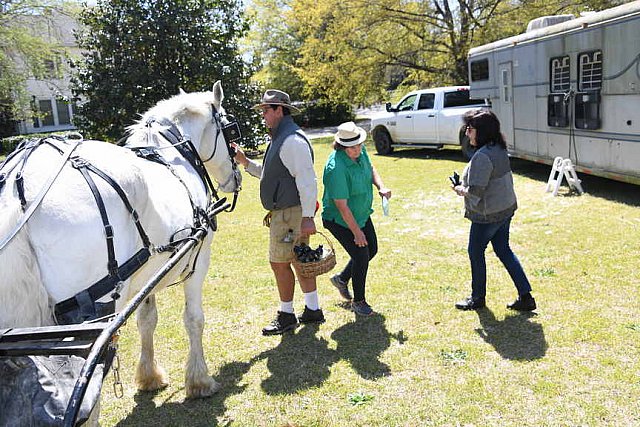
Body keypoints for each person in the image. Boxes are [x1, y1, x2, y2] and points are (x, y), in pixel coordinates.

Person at [233, 89, 324, 335]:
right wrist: (245, 162)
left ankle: (286, 316)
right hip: (290, 213)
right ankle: (313, 310)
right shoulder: (282, 137)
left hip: (289, 215)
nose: (263, 115)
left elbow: (307, 181)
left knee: (280, 263)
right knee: (300, 259)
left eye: (266, 110)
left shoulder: (291, 140)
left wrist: (307, 218)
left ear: (279, 111)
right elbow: (272, 174)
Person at [452, 109, 536, 311]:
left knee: (475, 252)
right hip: (505, 209)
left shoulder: (482, 156)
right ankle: (526, 296)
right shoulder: (498, 147)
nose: (467, 133)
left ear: (481, 131)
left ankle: (477, 298)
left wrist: (458, 188)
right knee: (503, 250)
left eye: (470, 129)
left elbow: (476, 192)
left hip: (488, 215)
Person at [322, 121, 391, 316]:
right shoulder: (336, 168)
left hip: (360, 214)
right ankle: (358, 301)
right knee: (361, 255)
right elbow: (342, 206)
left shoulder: (359, 152)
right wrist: (356, 232)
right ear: (342, 146)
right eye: (353, 147)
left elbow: (370, 168)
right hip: (339, 220)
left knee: (372, 249)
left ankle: (341, 279)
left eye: (360, 145)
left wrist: (381, 187)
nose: (358, 149)